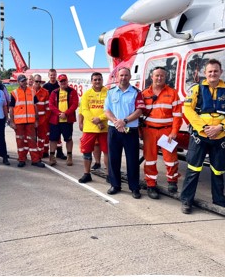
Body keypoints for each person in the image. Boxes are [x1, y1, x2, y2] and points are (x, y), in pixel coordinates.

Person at [180, 59, 225, 214]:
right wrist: (203, 128)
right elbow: (188, 110)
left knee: (218, 171)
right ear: (205, 73)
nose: (213, 74)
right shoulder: (196, 90)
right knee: (193, 169)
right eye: (210, 71)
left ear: (220, 72)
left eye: (215, 71)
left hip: (220, 137)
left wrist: (220, 126)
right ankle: (186, 201)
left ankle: (219, 202)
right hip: (200, 136)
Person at [141, 67, 183, 199]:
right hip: (149, 131)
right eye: (157, 76)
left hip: (166, 132)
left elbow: (177, 115)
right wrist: (140, 132)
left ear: (166, 78)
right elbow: (139, 114)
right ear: (151, 77)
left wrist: (174, 132)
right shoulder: (144, 94)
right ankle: (151, 184)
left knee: (171, 159)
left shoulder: (172, 93)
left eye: (162, 76)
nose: (159, 78)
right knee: (150, 159)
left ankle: (172, 181)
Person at [104, 67, 145, 199]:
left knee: (132, 160)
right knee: (113, 159)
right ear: (117, 77)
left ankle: (134, 188)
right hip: (114, 130)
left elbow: (139, 110)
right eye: (121, 75)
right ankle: (115, 185)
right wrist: (116, 122)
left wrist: (125, 121)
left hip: (130, 131)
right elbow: (107, 110)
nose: (123, 78)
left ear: (130, 76)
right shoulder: (111, 92)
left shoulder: (136, 92)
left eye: (126, 75)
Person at [78, 72, 109, 183]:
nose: (97, 81)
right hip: (89, 128)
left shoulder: (108, 93)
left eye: (99, 79)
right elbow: (84, 110)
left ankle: (109, 175)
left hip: (105, 128)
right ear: (91, 81)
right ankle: (87, 174)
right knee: (86, 152)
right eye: (95, 79)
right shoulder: (86, 94)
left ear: (102, 80)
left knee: (107, 151)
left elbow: (111, 109)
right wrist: (96, 122)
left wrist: (100, 119)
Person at [9, 74, 43, 168]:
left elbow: (35, 106)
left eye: (25, 80)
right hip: (19, 122)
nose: (24, 82)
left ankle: (35, 160)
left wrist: (36, 120)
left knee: (32, 140)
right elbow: (11, 108)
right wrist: (12, 121)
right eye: (22, 81)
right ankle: (21, 159)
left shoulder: (32, 92)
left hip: (30, 121)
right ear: (18, 82)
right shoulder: (14, 93)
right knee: (20, 141)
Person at [48, 74, 79, 166]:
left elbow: (75, 104)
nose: (63, 83)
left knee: (68, 139)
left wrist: (66, 113)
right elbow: (51, 105)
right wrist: (59, 113)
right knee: (53, 139)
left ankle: (69, 157)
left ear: (67, 81)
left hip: (67, 120)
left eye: (64, 81)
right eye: (61, 81)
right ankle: (52, 157)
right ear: (58, 82)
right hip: (55, 120)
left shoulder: (72, 91)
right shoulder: (54, 92)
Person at [43, 68, 66, 160]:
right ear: (48, 76)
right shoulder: (45, 86)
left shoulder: (59, 85)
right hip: (48, 113)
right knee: (46, 133)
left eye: (54, 75)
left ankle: (59, 152)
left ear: (56, 75)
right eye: (51, 75)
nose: (53, 76)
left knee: (58, 134)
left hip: (57, 113)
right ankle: (45, 151)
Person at [32, 74, 50, 159]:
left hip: (42, 120)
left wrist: (45, 119)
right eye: (36, 81)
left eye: (40, 81)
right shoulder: (29, 91)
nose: (38, 83)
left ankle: (39, 155)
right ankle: (33, 155)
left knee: (41, 139)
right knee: (31, 138)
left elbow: (47, 108)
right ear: (33, 81)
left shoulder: (45, 92)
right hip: (31, 120)